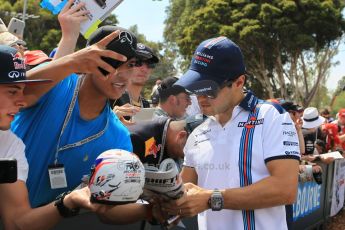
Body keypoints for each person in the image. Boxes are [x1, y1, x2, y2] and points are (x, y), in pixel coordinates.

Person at [163, 37, 300, 230]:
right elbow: (184, 190)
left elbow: (285, 189)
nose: (201, 98)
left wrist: (213, 198)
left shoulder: (271, 116)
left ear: (239, 82)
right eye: (196, 88)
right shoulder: (198, 132)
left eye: (209, 90)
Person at [11, 26, 146, 208]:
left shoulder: (119, 137)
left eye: (130, 64)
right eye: (112, 61)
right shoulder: (56, 83)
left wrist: (150, 209)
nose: (121, 74)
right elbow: (14, 95)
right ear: (89, 57)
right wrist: (72, 61)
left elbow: (111, 207)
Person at [0, 44, 115, 229]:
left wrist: (67, 202)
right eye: (12, 91)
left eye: (22, 90)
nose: (22, 100)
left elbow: (16, 222)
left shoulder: (8, 144)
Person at [111, 43, 159, 124]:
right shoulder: (110, 98)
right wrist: (110, 121)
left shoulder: (146, 104)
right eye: (138, 62)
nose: (144, 69)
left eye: (149, 64)